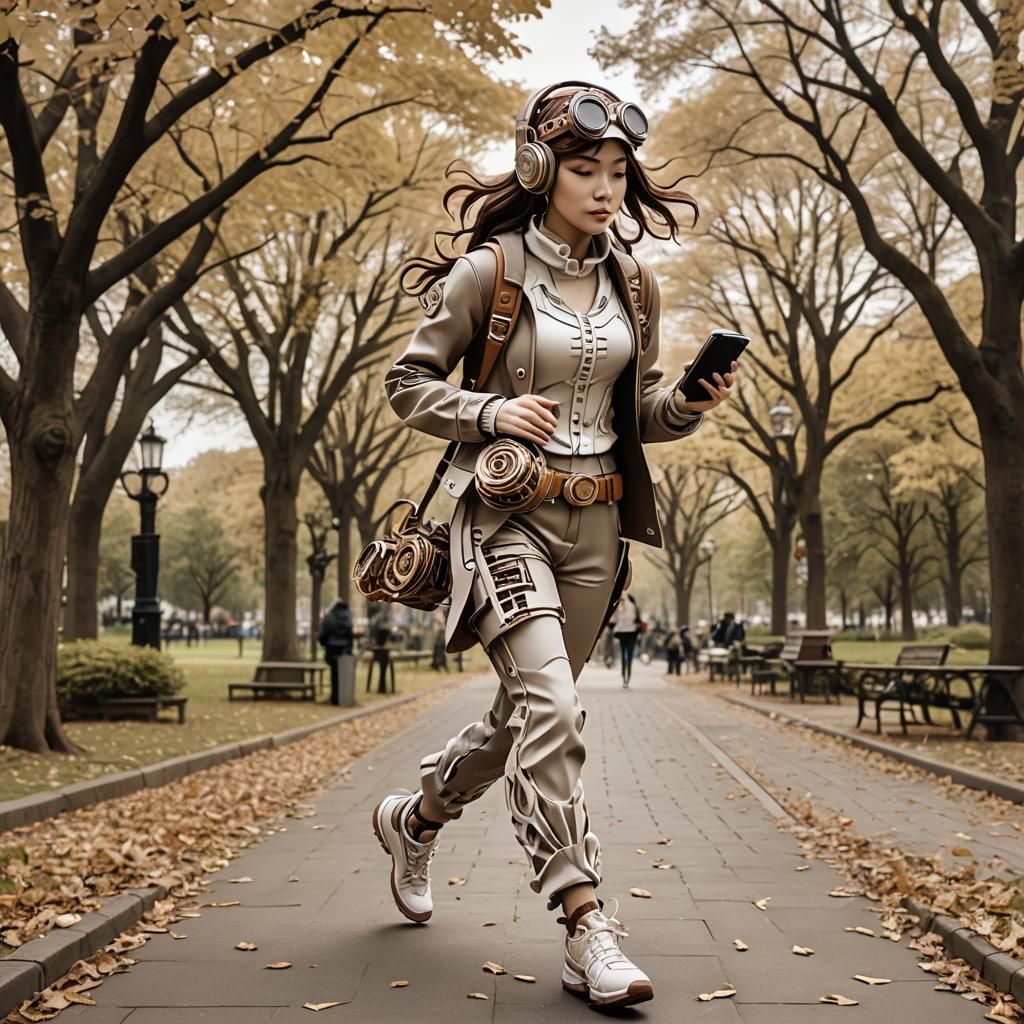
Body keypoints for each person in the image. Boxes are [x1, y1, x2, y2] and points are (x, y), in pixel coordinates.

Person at [371, 80, 740, 1009]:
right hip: (503, 518)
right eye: (586, 169)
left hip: (600, 530)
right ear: (542, 171)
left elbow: (637, 414)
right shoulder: (488, 275)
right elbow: (407, 381)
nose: (607, 188)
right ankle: (585, 923)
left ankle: (416, 817)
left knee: (533, 714)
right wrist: (488, 407)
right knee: (554, 707)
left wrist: (688, 405)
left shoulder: (636, 285)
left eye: (620, 172)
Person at [317, 598, 353, 706]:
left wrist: (324, 643)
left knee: (334, 675)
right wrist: (349, 648)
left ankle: (335, 698)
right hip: (345, 650)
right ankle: (343, 697)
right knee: (343, 675)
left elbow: (323, 634)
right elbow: (350, 635)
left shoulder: (329, 617)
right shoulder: (348, 617)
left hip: (332, 648)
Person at [609, 592, 642, 687]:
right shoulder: (633, 605)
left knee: (624, 654)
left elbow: (613, 620)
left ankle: (624, 677)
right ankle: (628, 677)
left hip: (622, 633)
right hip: (632, 632)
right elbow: (636, 618)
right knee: (630, 655)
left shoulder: (619, 605)